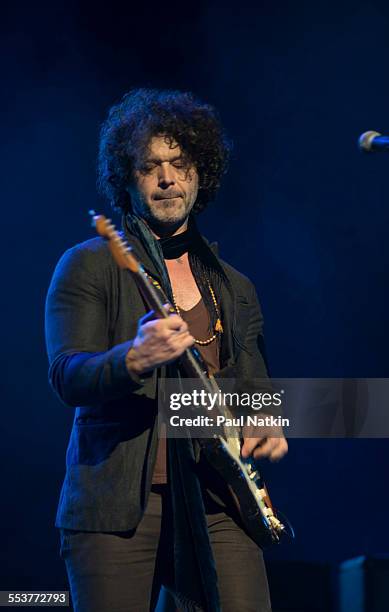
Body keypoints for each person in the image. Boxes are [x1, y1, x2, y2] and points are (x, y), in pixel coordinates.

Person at [45, 88, 288, 612]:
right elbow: (67, 375)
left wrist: (266, 421)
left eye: (180, 163)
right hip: (116, 511)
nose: (167, 178)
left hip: (217, 499)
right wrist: (132, 358)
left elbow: (254, 387)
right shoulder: (89, 264)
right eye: (150, 166)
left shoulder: (235, 285)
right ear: (126, 178)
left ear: (202, 173)